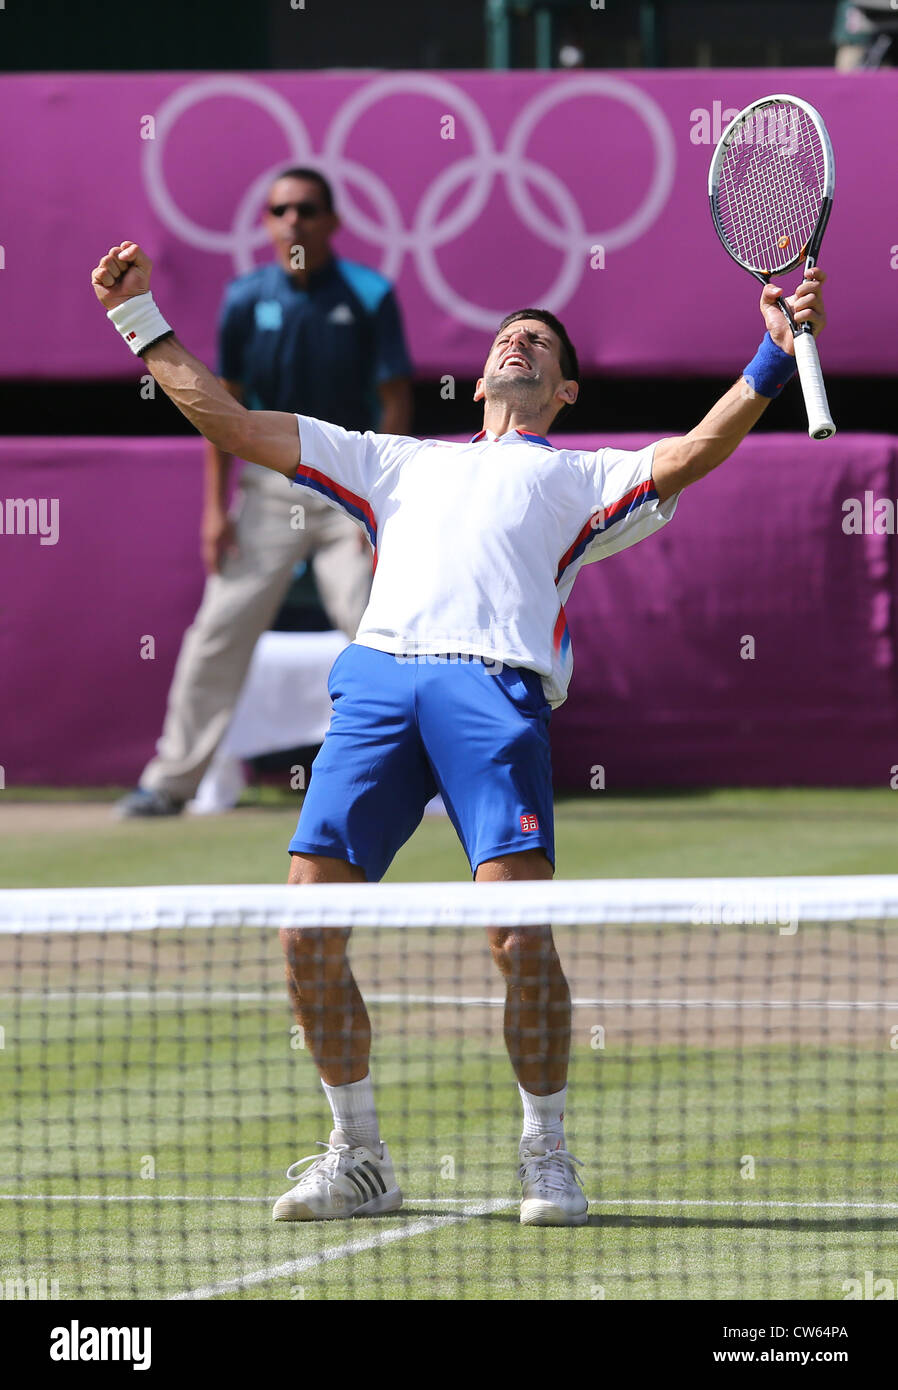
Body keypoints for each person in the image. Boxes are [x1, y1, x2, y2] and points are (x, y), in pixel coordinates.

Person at [91, 238, 827, 1226]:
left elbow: (695, 448)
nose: (518, 342)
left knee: (518, 934)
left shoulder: (583, 478)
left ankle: (546, 1150)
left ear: (562, 389)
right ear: (482, 373)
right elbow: (228, 420)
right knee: (304, 930)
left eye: (540, 343)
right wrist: (139, 319)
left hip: (494, 695)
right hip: (380, 688)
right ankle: (358, 1154)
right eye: (507, 336)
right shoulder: (392, 461)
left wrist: (771, 359)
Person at [117, 167, 413, 817]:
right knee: (217, 632)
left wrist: (385, 508)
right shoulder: (246, 298)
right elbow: (225, 409)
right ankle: (170, 782)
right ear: (266, 223)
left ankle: (421, 770)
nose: (293, 222)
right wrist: (214, 512)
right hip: (268, 492)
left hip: (351, 491)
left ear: (332, 222)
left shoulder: (369, 294)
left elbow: (395, 401)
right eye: (280, 211)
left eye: (307, 210)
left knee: (380, 627)